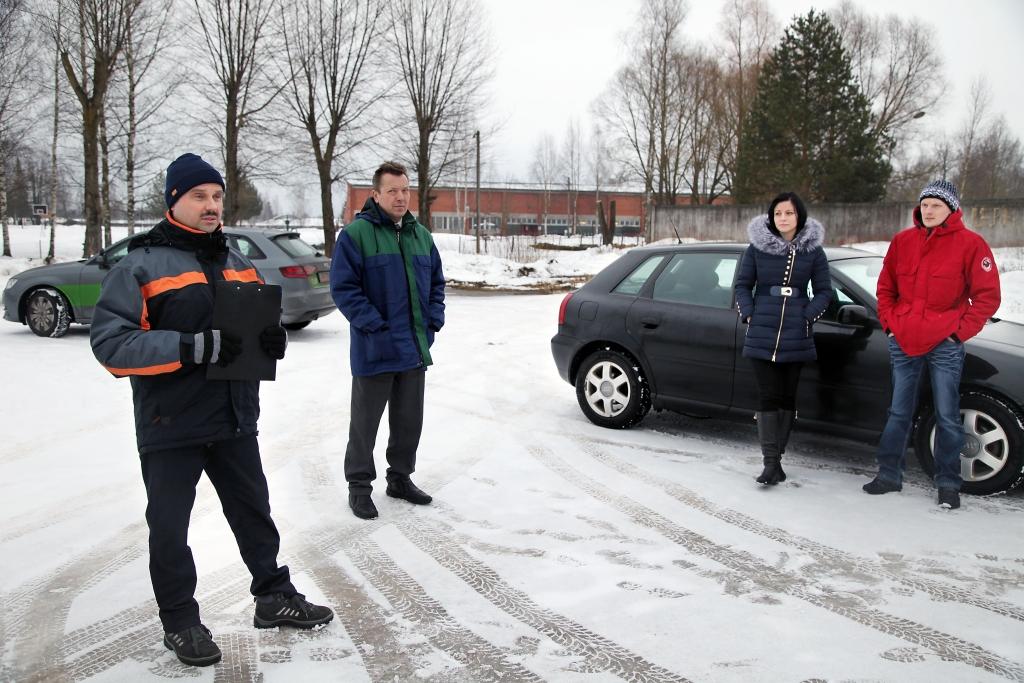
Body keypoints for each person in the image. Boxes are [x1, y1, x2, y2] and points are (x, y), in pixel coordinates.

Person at [90, 153, 333, 668]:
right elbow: (112, 345)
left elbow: (242, 336)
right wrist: (190, 346)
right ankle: (180, 622)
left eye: (217, 196)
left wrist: (270, 341)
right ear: (173, 201)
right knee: (171, 528)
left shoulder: (235, 260)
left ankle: (273, 598)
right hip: (170, 421)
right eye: (199, 196)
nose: (211, 206)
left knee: (254, 511)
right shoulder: (140, 264)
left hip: (234, 416)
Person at [863, 179, 1001, 509]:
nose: (928, 210)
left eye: (936, 205)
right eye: (925, 205)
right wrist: (891, 325)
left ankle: (948, 483)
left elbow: (987, 297)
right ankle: (889, 475)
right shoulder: (902, 241)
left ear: (951, 209)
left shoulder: (971, 244)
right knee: (898, 412)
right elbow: (885, 290)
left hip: (944, 344)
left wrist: (957, 333)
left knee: (948, 415)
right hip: (904, 341)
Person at [330, 161, 446, 520]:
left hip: (413, 349)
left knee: (409, 421)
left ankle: (400, 478)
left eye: (405, 190)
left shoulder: (421, 236)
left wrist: (432, 322)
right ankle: (359, 487)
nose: (400, 197)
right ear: (376, 194)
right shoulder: (356, 236)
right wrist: (374, 327)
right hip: (375, 349)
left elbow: (437, 285)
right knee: (364, 425)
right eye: (392, 190)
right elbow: (344, 289)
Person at [735, 192, 832, 485]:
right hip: (761, 331)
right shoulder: (756, 249)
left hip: (796, 333)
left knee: (788, 397)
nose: (783, 219)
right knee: (767, 395)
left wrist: (807, 316)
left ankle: (778, 459)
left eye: (788, 213)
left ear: (798, 216)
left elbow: (825, 292)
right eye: (778, 213)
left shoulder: (813, 252)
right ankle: (770, 463)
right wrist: (749, 314)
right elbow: (742, 285)